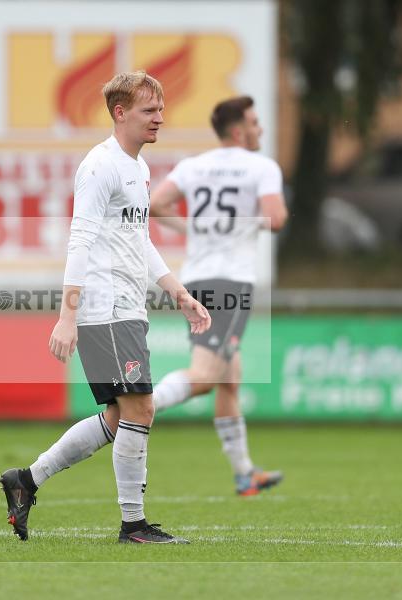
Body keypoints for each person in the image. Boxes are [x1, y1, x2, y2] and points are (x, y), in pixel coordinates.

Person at [0, 71, 211, 544]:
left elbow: (138, 240)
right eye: (148, 110)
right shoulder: (100, 166)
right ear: (120, 113)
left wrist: (179, 292)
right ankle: (133, 525)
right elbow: (81, 237)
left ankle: (26, 481)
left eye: (160, 109)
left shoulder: (138, 169)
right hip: (105, 307)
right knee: (142, 408)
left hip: (127, 306)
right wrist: (67, 315)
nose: (159, 117)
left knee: (121, 417)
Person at [149, 95, 288, 496]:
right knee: (207, 377)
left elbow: (157, 203)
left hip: (198, 277)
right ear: (238, 129)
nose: (260, 129)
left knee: (230, 376)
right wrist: (243, 226)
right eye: (255, 123)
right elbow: (276, 219)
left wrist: (195, 229)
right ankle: (137, 407)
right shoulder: (261, 167)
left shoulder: (195, 165)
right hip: (231, 281)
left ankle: (245, 473)